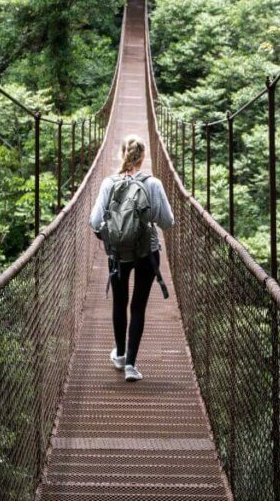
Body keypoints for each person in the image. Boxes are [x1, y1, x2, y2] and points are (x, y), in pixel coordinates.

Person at [89, 134, 174, 382]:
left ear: (122, 154)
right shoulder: (153, 183)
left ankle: (120, 355)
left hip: (118, 253)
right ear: (143, 156)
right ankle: (131, 365)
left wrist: (111, 234)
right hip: (148, 252)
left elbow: (94, 221)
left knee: (119, 302)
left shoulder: (109, 183)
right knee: (138, 307)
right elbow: (167, 222)